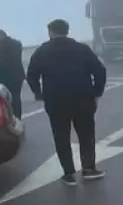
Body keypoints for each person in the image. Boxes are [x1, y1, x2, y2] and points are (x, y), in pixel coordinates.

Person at [26, 19, 107, 185]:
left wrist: (39, 93)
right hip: (83, 98)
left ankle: (69, 174)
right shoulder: (82, 49)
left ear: (51, 32)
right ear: (67, 31)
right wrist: (96, 92)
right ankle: (89, 169)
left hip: (55, 101)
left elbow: (31, 75)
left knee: (61, 136)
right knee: (86, 134)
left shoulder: (42, 51)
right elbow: (100, 71)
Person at [0, 29, 26, 118]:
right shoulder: (16, 44)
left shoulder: (3, 45)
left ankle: (11, 117)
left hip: (6, 77)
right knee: (16, 98)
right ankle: (17, 116)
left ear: (0, 36)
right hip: (17, 75)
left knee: (7, 99)